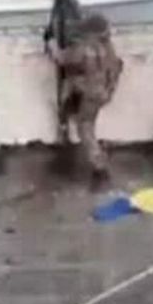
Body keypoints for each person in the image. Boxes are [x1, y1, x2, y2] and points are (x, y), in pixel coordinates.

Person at [56, 13, 123, 185]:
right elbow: (117, 67)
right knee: (86, 120)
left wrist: (51, 45)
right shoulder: (109, 47)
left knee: (85, 127)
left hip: (89, 93)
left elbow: (63, 59)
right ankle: (98, 155)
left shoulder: (84, 48)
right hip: (103, 91)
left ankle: (99, 164)